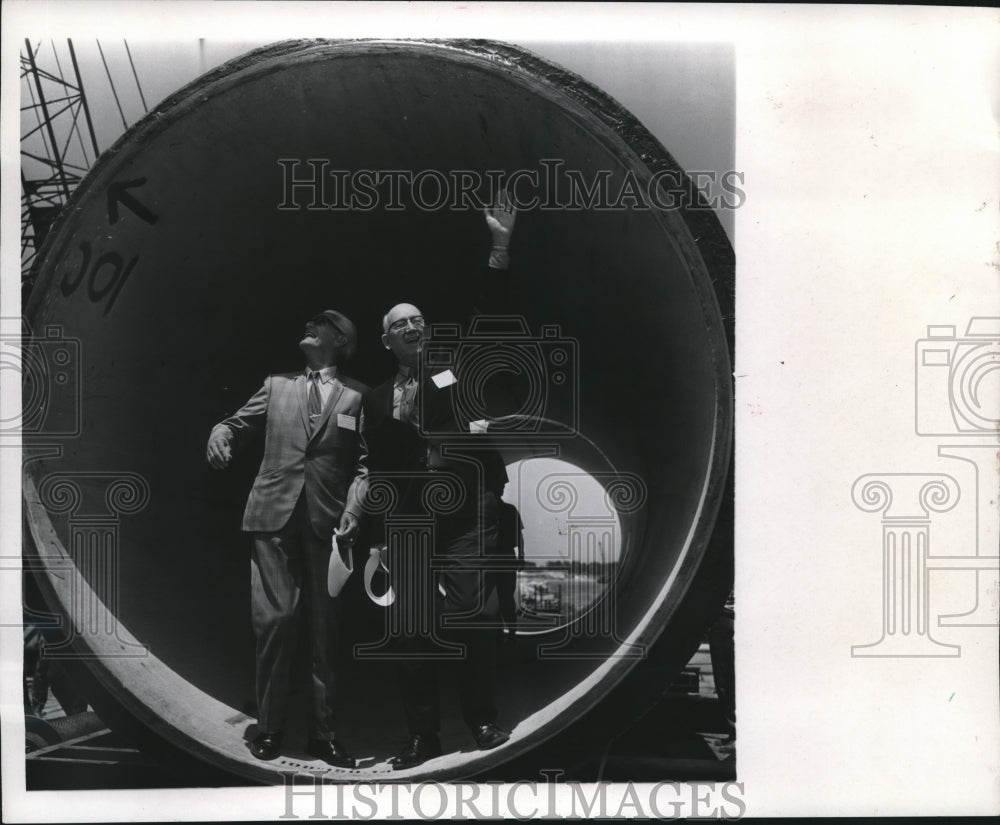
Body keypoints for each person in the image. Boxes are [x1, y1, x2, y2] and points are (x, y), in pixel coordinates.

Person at [349, 197, 517, 769]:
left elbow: (483, 315)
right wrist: (372, 533)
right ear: (386, 340)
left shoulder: (450, 368)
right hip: (408, 523)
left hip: (465, 513)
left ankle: (482, 717)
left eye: (418, 320)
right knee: (409, 630)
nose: (412, 326)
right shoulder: (372, 399)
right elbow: (372, 465)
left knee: (472, 616)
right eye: (401, 324)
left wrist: (499, 248)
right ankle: (423, 736)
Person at [206, 309, 367, 768]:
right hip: (272, 517)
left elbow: (365, 466)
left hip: (327, 524)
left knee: (325, 632)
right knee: (275, 623)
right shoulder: (276, 385)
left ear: (339, 338)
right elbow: (238, 422)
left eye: (320, 323)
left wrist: (355, 508)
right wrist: (221, 431)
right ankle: (270, 727)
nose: (308, 326)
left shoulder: (356, 397)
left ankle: (324, 734)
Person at [485, 480, 525, 640]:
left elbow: (519, 535)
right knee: (505, 597)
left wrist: (522, 555)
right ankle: (508, 633)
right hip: (505, 557)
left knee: (501, 598)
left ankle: (504, 633)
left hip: (496, 558)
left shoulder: (498, 511)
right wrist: (522, 556)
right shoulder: (510, 510)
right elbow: (520, 536)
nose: (501, 489)